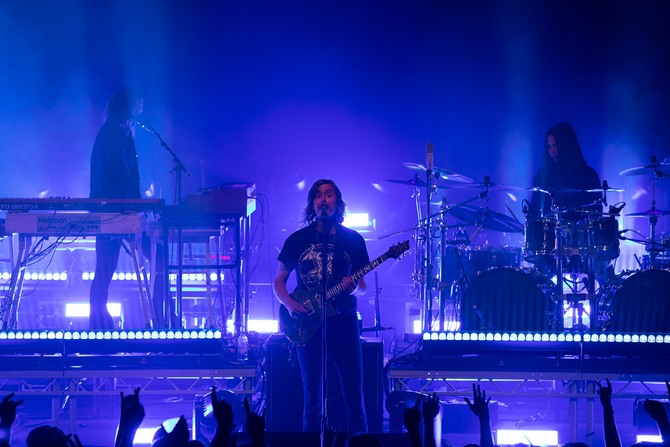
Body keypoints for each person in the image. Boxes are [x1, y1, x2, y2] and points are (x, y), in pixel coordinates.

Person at [272, 179, 369, 433]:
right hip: (307, 323)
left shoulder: (353, 240)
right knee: (312, 399)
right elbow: (279, 282)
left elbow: (362, 287)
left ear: (338, 202)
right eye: (317, 195)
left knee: (354, 398)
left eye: (328, 194)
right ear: (312, 204)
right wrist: (290, 304)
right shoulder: (297, 239)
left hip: (344, 323)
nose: (322, 199)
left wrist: (353, 287)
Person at [89, 88, 166, 330]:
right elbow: (121, 174)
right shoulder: (114, 134)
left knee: (105, 270)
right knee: (154, 259)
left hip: (118, 210)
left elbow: (126, 174)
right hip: (115, 211)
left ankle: (101, 322)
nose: (137, 116)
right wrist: (139, 204)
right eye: (135, 110)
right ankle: (159, 318)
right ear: (126, 110)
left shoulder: (117, 132)